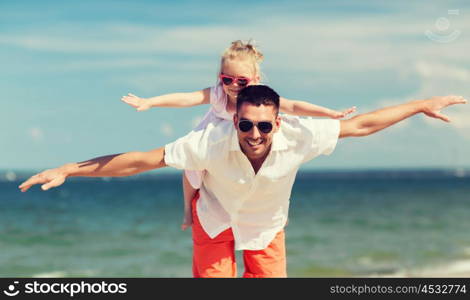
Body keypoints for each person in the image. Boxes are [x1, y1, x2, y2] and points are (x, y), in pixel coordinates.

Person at [19, 85, 466, 278]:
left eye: (264, 126)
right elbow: (139, 161)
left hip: (267, 225)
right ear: (235, 119)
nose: (255, 135)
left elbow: (363, 126)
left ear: (278, 121)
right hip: (214, 219)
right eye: (247, 125)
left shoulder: (299, 134)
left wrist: (420, 104)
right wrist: (69, 169)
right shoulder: (210, 141)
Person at [120, 40, 356, 231]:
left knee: (277, 170)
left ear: (255, 80)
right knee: (190, 169)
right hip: (215, 138)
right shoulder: (217, 94)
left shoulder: (259, 99)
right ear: (220, 78)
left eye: (241, 81)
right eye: (227, 79)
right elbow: (186, 98)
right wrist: (149, 102)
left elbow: (293, 106)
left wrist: (330, 113)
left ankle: (279, 215)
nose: (233, 85)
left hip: (248, 138)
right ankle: (187, 211)